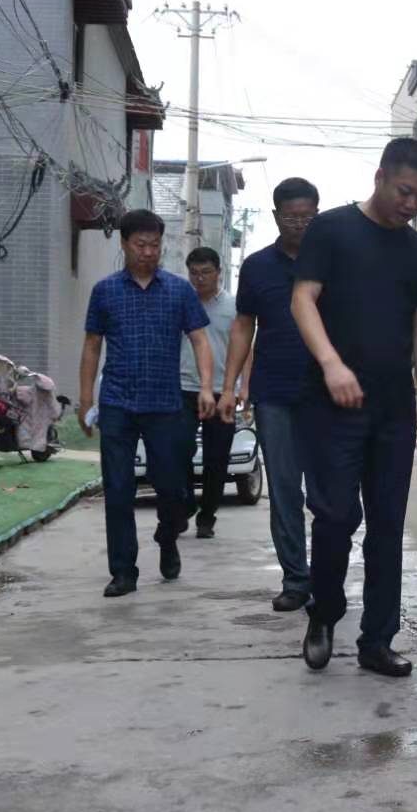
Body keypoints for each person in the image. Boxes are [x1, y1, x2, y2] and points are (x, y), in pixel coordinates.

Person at [290, 138, 417, 677]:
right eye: (405, 192)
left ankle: (377, 640)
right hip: (331, 404)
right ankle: (324, 612)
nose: (411, 205)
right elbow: (302, 299)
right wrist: (332, 363)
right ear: (379, 177)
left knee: (386, 524)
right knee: (335, 517)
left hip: (393, 409)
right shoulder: (331, 230)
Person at [78, 210, 213, 598]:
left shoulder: (179, 291)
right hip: (117, 403)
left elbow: (199, 339)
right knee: (119, 488)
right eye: (141, 245)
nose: (149, 252)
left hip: (165, 404)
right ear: (124, 244)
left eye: (155, 245)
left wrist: (206, 387)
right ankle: (124, 571)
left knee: (172, 489)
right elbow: (92, 346)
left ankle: (168, 537)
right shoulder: (105, 291)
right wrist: (85, 399)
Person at [220, 178, 320, 612]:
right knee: (283, 491)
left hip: (328, 395)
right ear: (277, 217)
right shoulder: (258, 267)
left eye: (307, 217)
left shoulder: (333, 262)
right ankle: (296, 579)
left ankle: (328, 576)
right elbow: (244, 326)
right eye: (291, 217)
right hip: (275, 393)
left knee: (329, 492)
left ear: (317, 214)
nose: (299, 224)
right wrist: (230, 386)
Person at [180, 246, 249, 540]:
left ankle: (207, 516)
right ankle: (184, 505)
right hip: (184, 388)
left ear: (219, 273)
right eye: (194, 273)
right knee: (177, 449)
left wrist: (243, 386)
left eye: (206, 272)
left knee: (216, 457)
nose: (200, 278)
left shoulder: (234, 307)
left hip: (223, 391)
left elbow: (246, 348)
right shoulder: (181, 303)